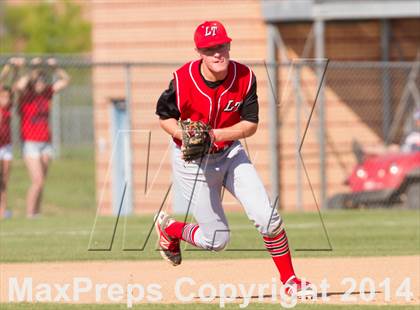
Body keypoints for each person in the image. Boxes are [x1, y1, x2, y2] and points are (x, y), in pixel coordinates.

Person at [154, 21, 313, 298]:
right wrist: (182, 132)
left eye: (222, 46)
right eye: (210, 48)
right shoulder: (182, 79)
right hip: (192, 164)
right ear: (199, 52)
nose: (217, 53)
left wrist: (214, 134)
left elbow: (250, 124)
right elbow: (164, 116)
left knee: (268, 217)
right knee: (217, 240)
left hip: (230, 154)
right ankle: (171, 229)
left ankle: (290, 280)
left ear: (229, 45)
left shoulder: (245, 77)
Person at [16, 58, 70, 218]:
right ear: (33, 81)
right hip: (30, 143)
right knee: (37, 181)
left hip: (45, 142)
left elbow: (66, 80)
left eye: (43, 80)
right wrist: (32, 69)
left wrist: (55, 67)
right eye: (38, 80)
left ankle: (37, 213)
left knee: (41, 182)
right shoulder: (26, 95)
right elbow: (19, 85)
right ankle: (30, 213)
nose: (41, 83)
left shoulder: (47, 94)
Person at [0, 57, 25, 219]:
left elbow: (15, 87)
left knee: (4, 182)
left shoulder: (8, 108)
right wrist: (8, 67)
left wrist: (16, 70)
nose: (5, 99)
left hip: (6, 146)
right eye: (3, 96)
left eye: (7, 97)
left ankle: (2, 211)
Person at [352, 107, 420, 163]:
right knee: (392, 148)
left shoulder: (415, 135)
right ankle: (364, 152)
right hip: (406, 153)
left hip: (411, 156)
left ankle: (364, 151)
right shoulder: (414, 133)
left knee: (393, 149)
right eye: (417, 120)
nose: (418, 122)